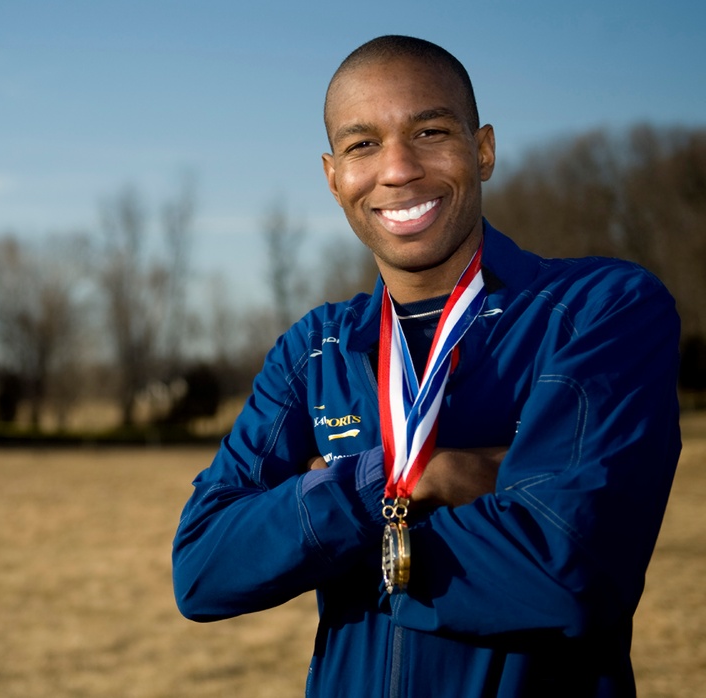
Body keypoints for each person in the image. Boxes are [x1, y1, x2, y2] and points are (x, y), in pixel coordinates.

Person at [172, 35, 682, 697]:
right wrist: (404, 479)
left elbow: (568, 572)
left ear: (484, 150)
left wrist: (323, 527)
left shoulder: (602, 309)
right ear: (333, 177)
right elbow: (205, 569)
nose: (398, 168)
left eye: (430, 131)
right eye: (362, 145)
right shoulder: (316, 349)